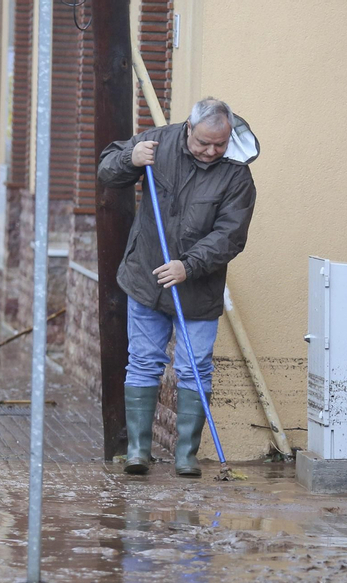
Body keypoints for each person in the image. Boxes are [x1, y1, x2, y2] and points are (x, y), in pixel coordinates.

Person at [97, 97, 259, 477]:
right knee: (143, 362)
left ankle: (186, 455)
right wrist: (130, 159)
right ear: (189, 128)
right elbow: (107, 170)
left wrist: (189, 266)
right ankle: (138, 451)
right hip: (147, 278)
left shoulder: (237, 175)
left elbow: (230, 236)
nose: (211, 151)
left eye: (219, 144)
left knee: (195, 367)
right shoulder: (159, 143)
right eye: (203, 142)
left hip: (197, 289)